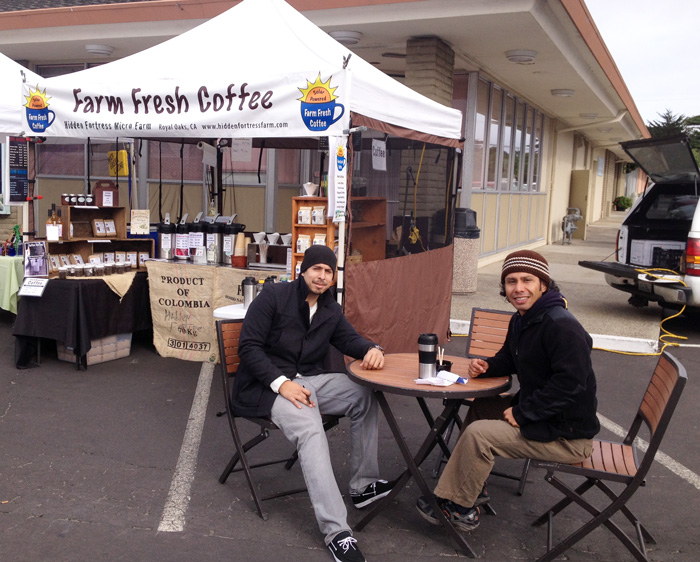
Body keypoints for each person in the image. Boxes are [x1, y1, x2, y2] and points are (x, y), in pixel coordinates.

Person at [416, 249, 600, 532]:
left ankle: (460, 509)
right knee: (480, 407)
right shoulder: (524, 318)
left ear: (543, 284)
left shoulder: (561, 326)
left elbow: (572, 384)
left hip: (568, 435)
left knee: (480, 435)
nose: (518, 288)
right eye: (511, 281)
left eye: (527, 280)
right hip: (548, 419)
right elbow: (509, 359)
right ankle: (471, 486)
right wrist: (486, 366)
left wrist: (526, 412)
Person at [232, 244, 391, 562]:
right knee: (310, 426)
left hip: (307, 382)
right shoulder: (274, 297)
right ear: (303, 271)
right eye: (316, 268)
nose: (321, 275)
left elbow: (349, 339)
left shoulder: (330, 309)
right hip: (266, 388)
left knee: (364, 392)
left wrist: (371, 348)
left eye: (328, 271)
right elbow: (248, 348)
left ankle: (362, 485)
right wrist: (282, 384)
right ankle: (337, 532)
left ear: (333, 278)